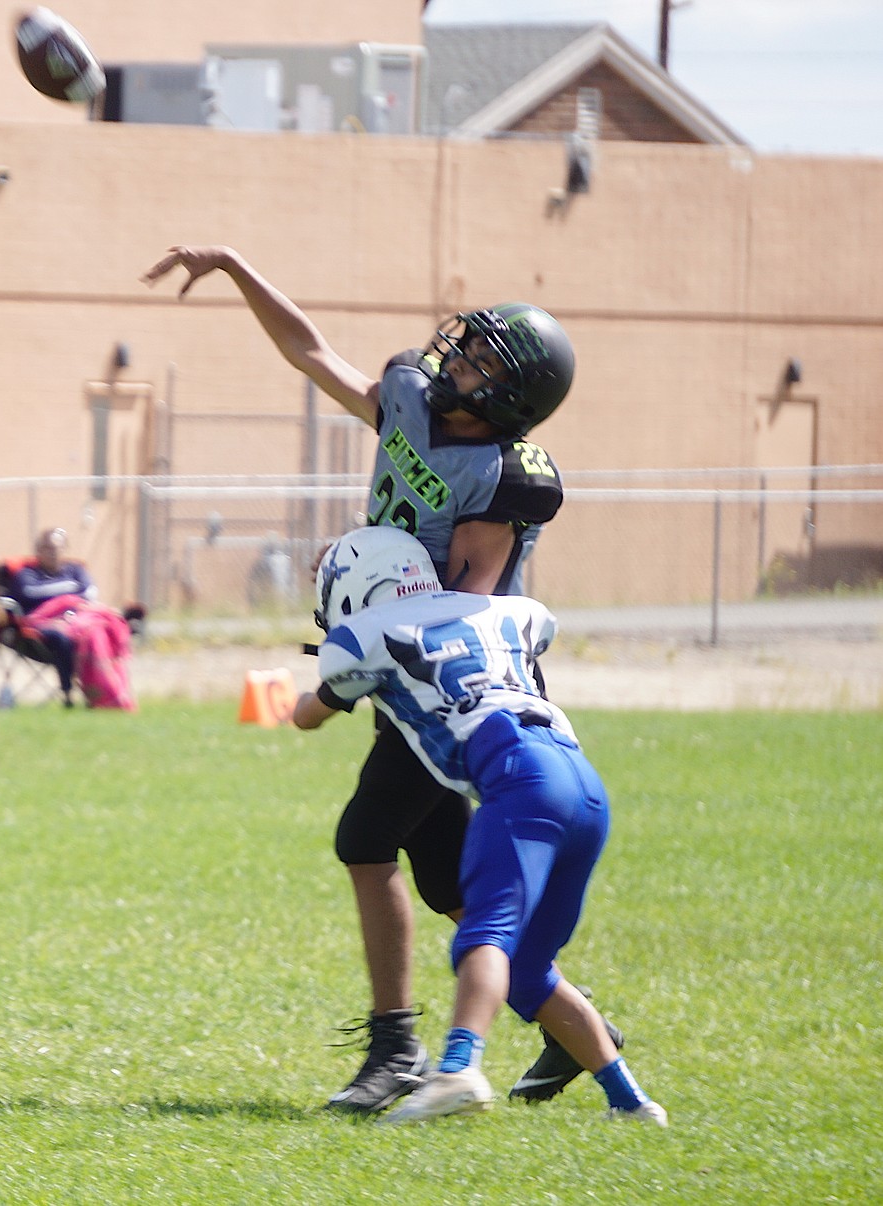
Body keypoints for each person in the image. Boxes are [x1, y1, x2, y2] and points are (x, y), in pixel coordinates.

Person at [142, 244, 620, 1114]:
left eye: (481, 361)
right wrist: (240, 266)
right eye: (466, 344)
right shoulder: (406, 400)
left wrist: (364, 641)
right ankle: (573, 1028)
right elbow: (311, 352)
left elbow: (464, 610)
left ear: (511, 398)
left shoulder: (501, 480)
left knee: (364, 837)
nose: (455, 360)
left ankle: (396, 1050)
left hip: (457, 684)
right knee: (449, 885)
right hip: (404, 668)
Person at [294, 526, 667, 1127]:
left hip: (517, 779)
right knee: (526, 966)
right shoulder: (503, 612)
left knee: (483, 936)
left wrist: (330, 686)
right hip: (582, 782)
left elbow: (306, 717)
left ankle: (459, 1067)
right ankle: (630, 1100)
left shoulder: (371, 635)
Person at [5, 528, 136, 710]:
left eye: (57, 548)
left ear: (65, 549)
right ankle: (67, 693)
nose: (53, 553)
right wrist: (69, 588)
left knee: (99, 632)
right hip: (41, 626)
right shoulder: (26, 574)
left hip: (78, 621)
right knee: (62, 637)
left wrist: (63, 591)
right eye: (47, 548)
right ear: (38, 551)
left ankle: (106, 692)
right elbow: (29, 592)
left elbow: (89, 593)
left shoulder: (76, 570)